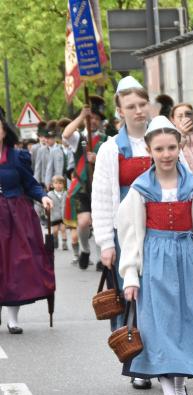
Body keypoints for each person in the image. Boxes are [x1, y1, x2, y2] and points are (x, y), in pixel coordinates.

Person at [117, 116, 193, 395]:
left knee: (189, 319)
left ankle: (180, 383)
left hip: (188, 259)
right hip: (155, 261)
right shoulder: (140, 189)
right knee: (159, 324)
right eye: (159, 148)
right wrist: (131, 274)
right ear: (149, 150)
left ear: (180, 147)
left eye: (171, 147)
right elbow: (132, 235)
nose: (166, 154)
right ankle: (168, 391)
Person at [93, 75, 156, 390]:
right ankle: (137, 362)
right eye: (131, 106)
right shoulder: (110, 150)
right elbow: (102, 198)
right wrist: (106, 242)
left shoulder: (161, 138)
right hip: (126, 234)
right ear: (120, 111)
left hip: (160, 233)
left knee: (160, 297)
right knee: (131, 298)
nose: (139, 111)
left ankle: (164, 358)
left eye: (142, 104)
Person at [0, 109, 55, 334]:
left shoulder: (17, 156)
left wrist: (43, 196)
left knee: (15, 266)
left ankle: (13, 319)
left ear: (4, 132)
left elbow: (30, 183)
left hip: (15, 217)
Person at [62, 95, 107, 271]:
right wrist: (81, 116)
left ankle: (100, 258)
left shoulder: (106, 140)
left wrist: (98, 158)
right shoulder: (78, 138)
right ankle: (85, 249)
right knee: (83, 222)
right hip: (82, 186)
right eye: (91, 118)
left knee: (98, 223)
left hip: (99, 186)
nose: (93, 121)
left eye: (96, 118)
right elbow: (65, 134)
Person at [48, 175, 68, 249]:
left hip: (63, 215)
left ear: (63, 184)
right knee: (55, 230)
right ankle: (55, 239)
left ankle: (64, 243)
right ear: (52, 185)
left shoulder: (66, 193)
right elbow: (46, 203)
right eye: (56, 183)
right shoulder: (49, 194)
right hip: (54, 215)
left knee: (63, 229)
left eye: (60, 183)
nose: (58, 185)